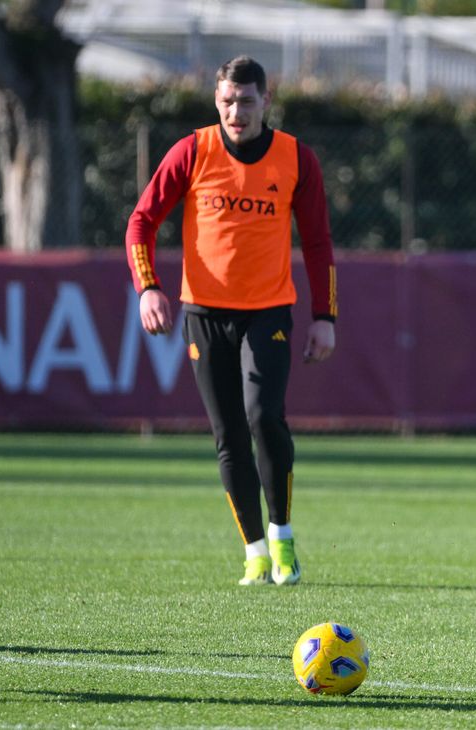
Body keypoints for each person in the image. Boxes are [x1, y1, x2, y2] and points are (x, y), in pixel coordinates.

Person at [125, 55, 338, 587]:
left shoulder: (295, 158)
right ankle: (255, 551)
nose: (234, 111)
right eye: (225, 101)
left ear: (266, 100)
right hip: (205, 315)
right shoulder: (192, 150)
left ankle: (283, 538)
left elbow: (317, 242)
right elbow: (141, 222)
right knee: (228, 437)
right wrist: (148, 288)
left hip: (268, 313)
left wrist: (324, 316)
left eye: (245, 101)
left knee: (264, 417)